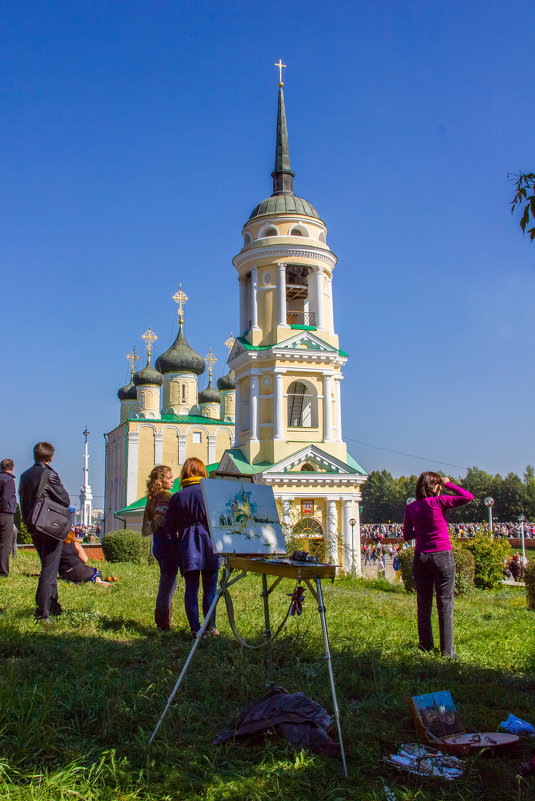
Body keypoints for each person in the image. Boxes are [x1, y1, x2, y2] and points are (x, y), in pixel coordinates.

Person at [403, 473, 473, 658]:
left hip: (421, 557)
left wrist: (423, 533)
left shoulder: (411, 507)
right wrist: (449, 484)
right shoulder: (439, 502)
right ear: (435, 487)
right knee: (445, 603)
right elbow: (468, 497)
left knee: (423, 605)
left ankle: (425, 646)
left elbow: (407, 535)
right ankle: (447, 652)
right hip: (442, 555)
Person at [164, 457, 220, 638]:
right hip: (211, 543)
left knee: (191, 589)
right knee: (211, 589)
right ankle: (211, 626)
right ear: (203, 472)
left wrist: (173, 548)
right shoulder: (210, 492)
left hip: (188, 545)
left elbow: (170, 528)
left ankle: (196, 629)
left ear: (185, 473)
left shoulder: (177, 497)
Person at [19, 442, 71, 622]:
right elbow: (64, 499)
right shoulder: (49, 474)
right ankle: (42, 613)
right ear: (50, 457)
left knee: (49, 566)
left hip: (33, 525)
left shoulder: (25, 475)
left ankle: (54, 606)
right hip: (48, 527)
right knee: (49, 570)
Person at [142, 465, 175, 631]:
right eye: (170, 478)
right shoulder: (164, 497)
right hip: (167, 542)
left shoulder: (151, 497)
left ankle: (163, 620)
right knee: (168, 583)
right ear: (160, 481)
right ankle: (163, 622)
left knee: (167, 581)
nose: (173, 480)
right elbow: (161, 521)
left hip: (158, 543)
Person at [0, 458, 17, 577]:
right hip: (5, 514)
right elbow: (6, 498)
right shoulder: (9, 480)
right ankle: (3, 571)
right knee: (5, 544)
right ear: (12, 467)